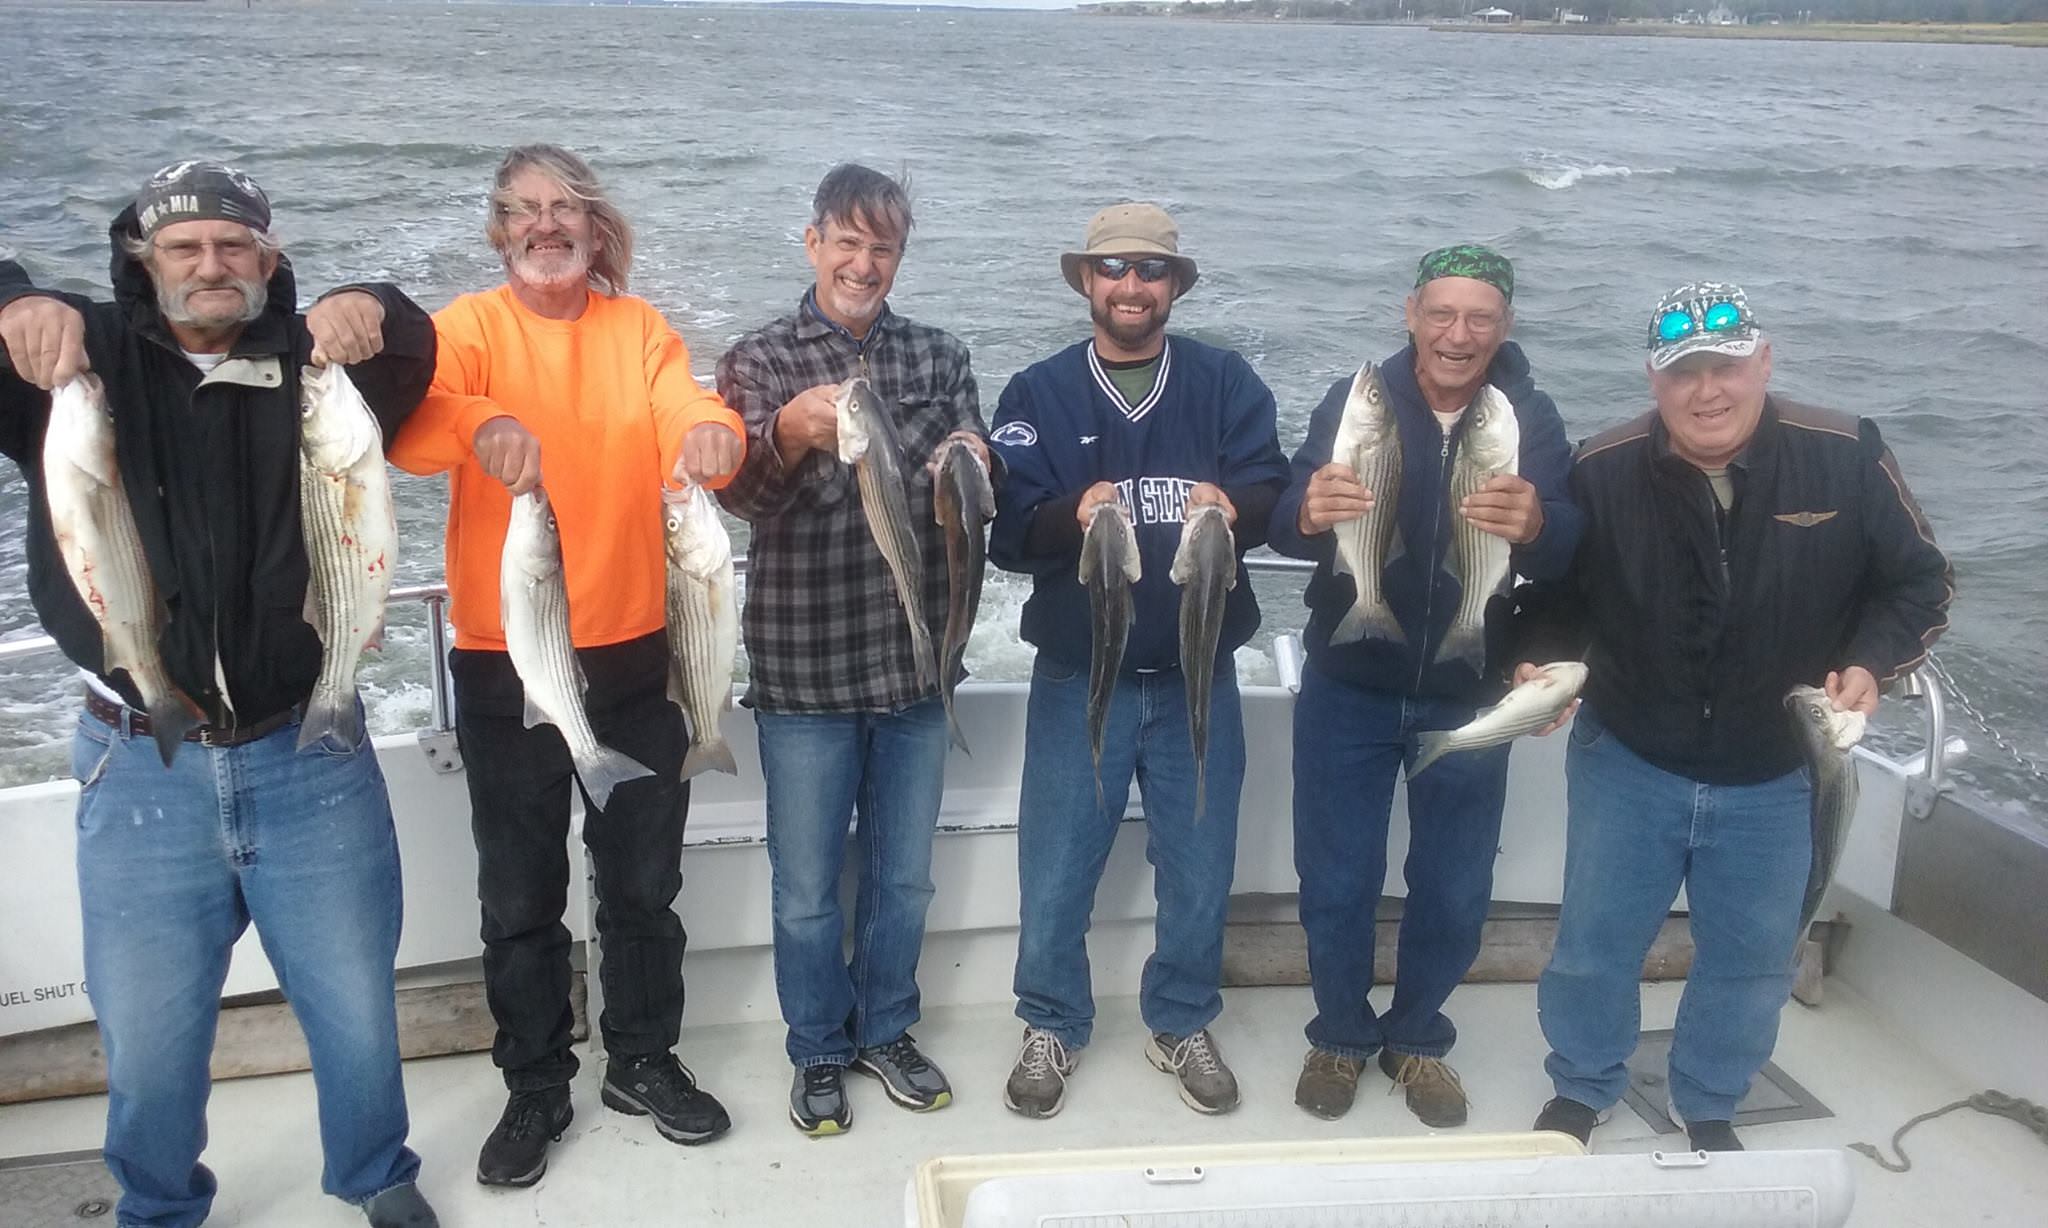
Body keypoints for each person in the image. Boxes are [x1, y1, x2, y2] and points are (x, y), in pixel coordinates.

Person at [0, 161, 438, 1228]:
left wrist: (371, 303)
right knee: (147, 1032)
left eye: (234, 246)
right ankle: (156, 1206)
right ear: (143, 263)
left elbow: (415, 346)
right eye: (184, 248)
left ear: (269, 260)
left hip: (310, 752)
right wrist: (15, 296)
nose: (211, 265)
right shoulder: (75, 368)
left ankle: (376, 1174)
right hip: (142, 757)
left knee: (354, 1010)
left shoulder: (315, 369)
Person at [1515, 282, 1953, 1152]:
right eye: (1683, 373)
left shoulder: (1845, 452)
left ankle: (1710, 1096)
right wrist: (1537, 661)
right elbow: (1551, 596)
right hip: (1628, 752)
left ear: (1764, 362)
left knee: (1754, 959)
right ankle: (1583, 1082)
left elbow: (1920, 583)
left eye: (1725, 367)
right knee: (1595, 944)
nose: (1706, 391)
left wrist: (1869, 661)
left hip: (1780, 767)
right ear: (1653, 379)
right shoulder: (1601, 468)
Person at [386, 144, 744, 1186]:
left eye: (565, 209)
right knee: (518, 893)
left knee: (642, 882)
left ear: (594, 228)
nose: (546, 225)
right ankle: (536, 1082)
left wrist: (714, 434)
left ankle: (639, 1056)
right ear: (500, 229)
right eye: (524, 211)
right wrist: (480, 420)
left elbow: (684, 405)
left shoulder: (637, 329)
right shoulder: (465, 329)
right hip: (507, 661)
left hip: (640, 656)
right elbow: (411, 433)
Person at [1266, 245, 1581, 1127]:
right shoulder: (1356, 400)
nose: (1458, 334)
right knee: (1337, 876)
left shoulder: (1531, 416)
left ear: (1505, 326)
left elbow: (1571, 548)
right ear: (1410, 313)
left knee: (1452, 884)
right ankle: (1338, 1032)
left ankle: (1417, 1039)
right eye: (1441, 313)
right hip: (1348, 684)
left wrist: (1542, 524)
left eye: (1481, 317)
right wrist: (1304, 508)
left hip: (1470, 686)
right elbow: (1289, 507)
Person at [989, 202, 1289, 1119]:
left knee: (1199, 862)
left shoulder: (1226, 382)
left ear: (1173, 286)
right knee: (1057, 863)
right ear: (1086, 279)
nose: (1131, 286)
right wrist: (1066, 516)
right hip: (1083, 676)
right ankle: (1050, 1019)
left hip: (1199, 672)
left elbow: (1276, 492)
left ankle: (1183, 1016)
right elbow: (1004, 531)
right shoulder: (1037, 391)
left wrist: (1234, 503)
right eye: (1113, 268)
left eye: (1150, 271)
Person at [715, 163, 988, 1137]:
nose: (862, 262)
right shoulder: (758, 359)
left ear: (897, 257)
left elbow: (972, 464)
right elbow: (736, 500)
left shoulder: (937, 354)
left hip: (917, 670)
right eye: (846, 241)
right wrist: (785, 435)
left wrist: (972, 459)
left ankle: (885, 1029)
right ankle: (818, 1049)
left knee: (901, 875)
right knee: (801, 890)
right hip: (803, 671)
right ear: (811, 242)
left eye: (882, 247)